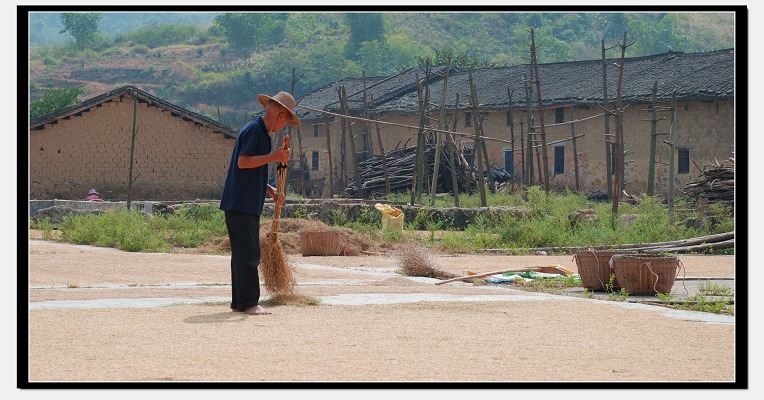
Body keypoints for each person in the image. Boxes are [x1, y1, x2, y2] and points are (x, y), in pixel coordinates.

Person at [219, 91, 299, 316]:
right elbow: (243, 162)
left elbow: (253, 169)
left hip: (244, 202)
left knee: (242, 254)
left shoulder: (262, 135)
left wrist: (269, 189)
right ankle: (250, 303)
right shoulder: (254, 130)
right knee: (249, 254)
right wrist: (275, 157)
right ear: (281, 116)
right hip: (241, 203)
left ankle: (239, 302)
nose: (282, 127)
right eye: (285, 122)